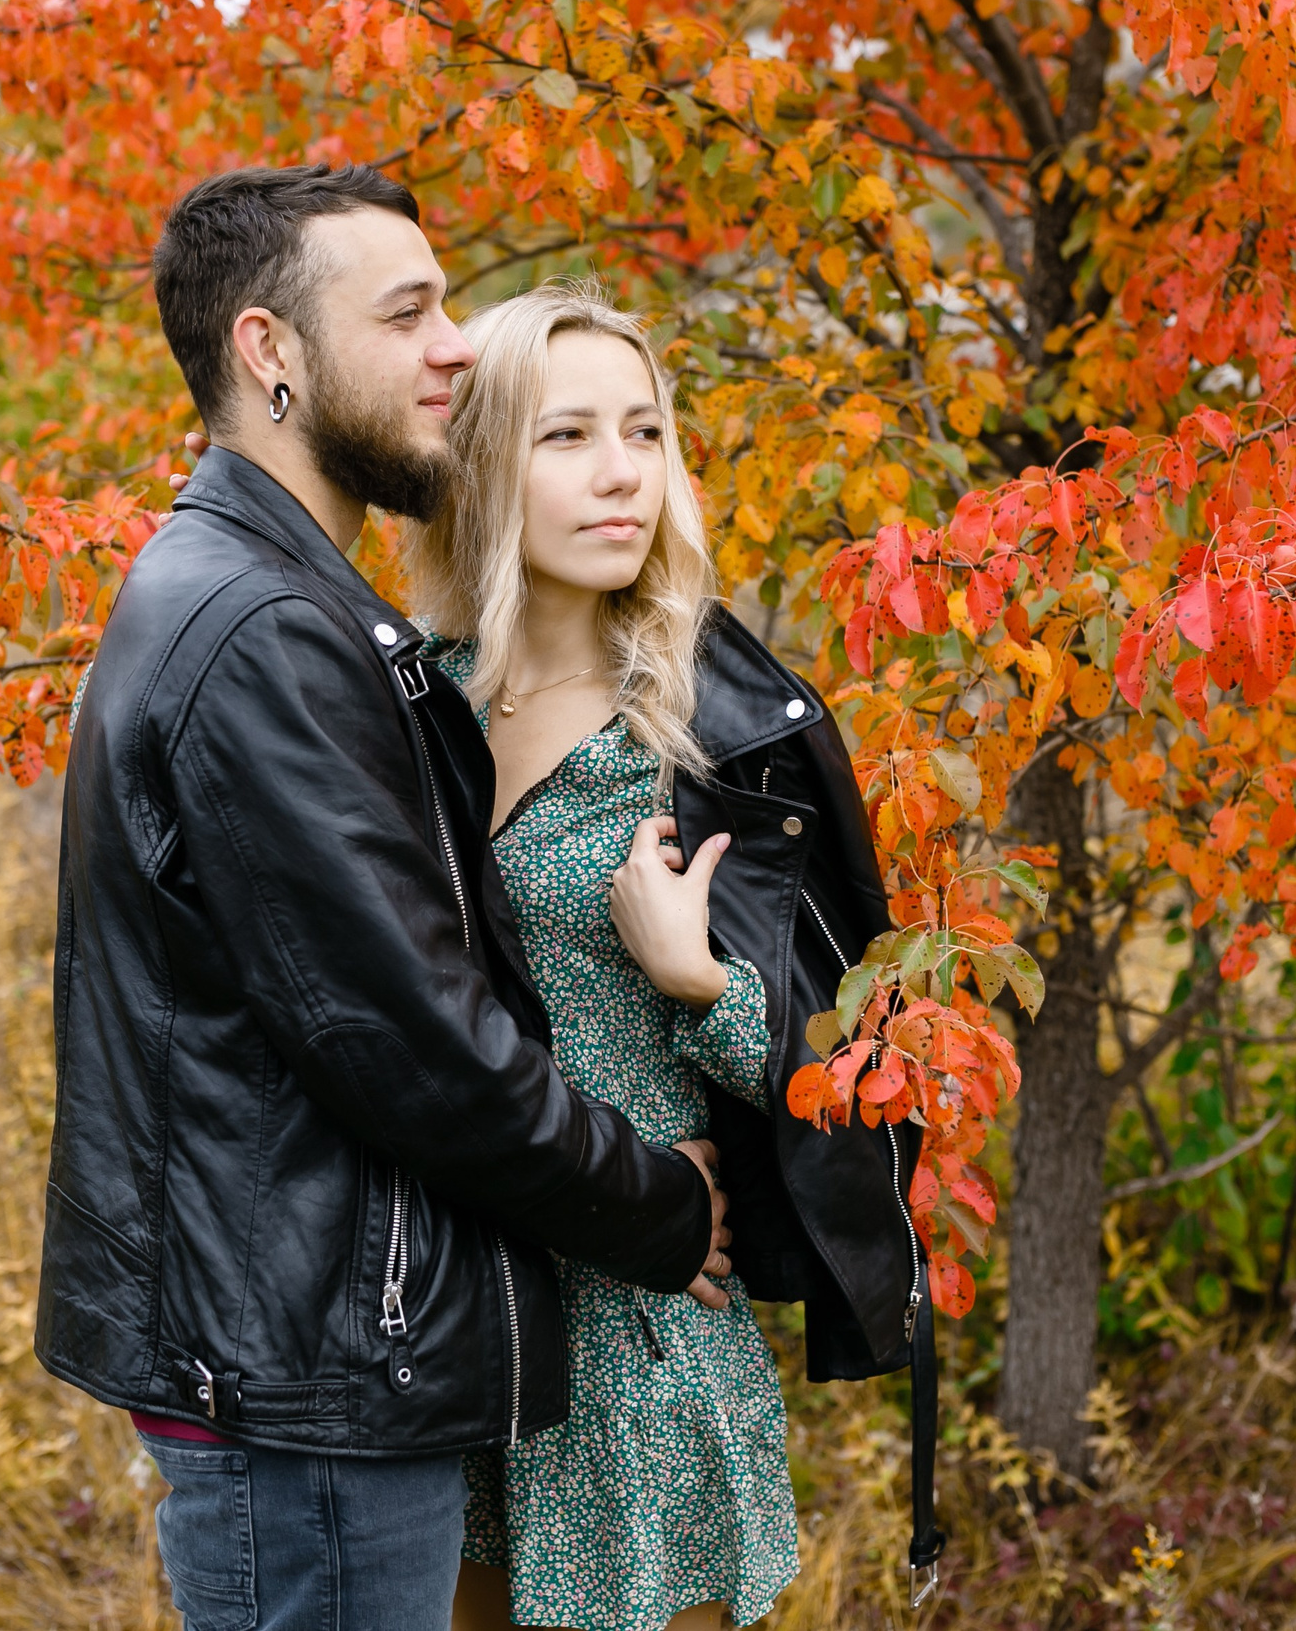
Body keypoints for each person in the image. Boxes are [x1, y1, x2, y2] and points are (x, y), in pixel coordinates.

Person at [39, 168, 734, 1631]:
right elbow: (416, 1043)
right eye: (407, 313)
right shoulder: (266, 631)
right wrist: (662, 1208)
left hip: (315, 1350)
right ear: (270, 353)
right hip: (309, 1381)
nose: (457, 348)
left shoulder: (268, 601)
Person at [183, 279, 928, 1629]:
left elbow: (844, 1072)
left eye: (644, 433)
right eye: (567, 435)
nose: (622, 474)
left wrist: (703, 986)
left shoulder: (712, 732)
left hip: (641, 1323)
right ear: (478, 463)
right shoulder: (405, 704)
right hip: (451, 1316)